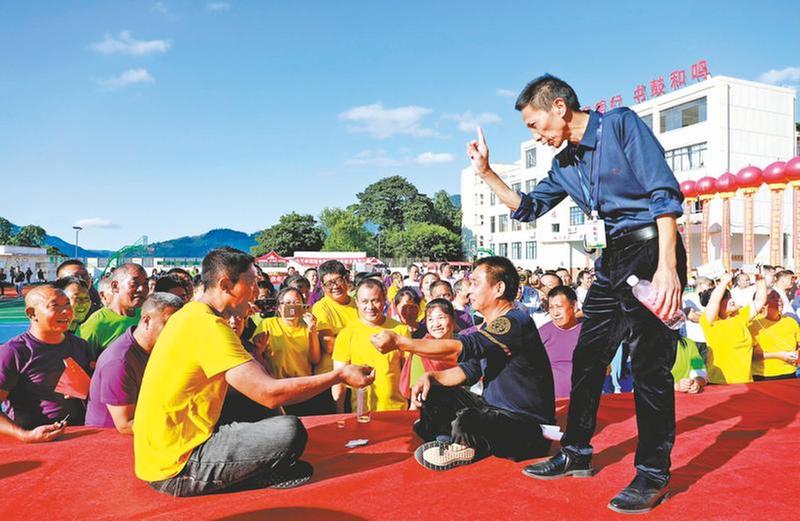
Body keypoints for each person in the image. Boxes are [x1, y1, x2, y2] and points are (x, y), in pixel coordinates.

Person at [471, 75, 687, 513]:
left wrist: (667, 269)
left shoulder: (622, 125)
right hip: (611, 259)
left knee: (650, 367)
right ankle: (576, 452)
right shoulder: (565, 165)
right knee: (589, 357)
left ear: (559, 107)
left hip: (651, 250)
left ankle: (652, 474)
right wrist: (487, 173)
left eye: (535, 125)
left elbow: (664, 194)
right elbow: (528, 208)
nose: (536, 136)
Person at [134, 248, 374, 497]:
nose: (257, 292)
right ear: (226, 284)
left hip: (160, 453)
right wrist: (339, 376)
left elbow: (255, 384)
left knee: (257, 404)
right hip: (177, 467)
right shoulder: (208, 326)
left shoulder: (191, 315)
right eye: (251, 283)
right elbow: (268, 393)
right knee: (290, 430)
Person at [372, 257, 555, 472]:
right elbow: (471, 369)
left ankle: (463, 443)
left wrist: (400, 343)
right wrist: (434, 377)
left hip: (527, 427)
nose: (469, 291)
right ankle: (449, 440)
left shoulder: (514, 321)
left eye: (476, 283)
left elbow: (463, 348)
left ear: (498, 288)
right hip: (494, 410)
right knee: (436, 393)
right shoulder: (490, 325)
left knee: (469, 420)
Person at [0, 285, 92, 441]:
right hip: (35, 441)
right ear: (32, 313)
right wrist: (25, 435)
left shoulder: (81, 346)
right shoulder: (14, 352)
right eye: (55, 306)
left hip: (79, 436)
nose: (66, 311)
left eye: (67, 303)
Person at [85, 293, 184, 433]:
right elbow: (125, 424)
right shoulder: (119, 361)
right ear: (146, 321)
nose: (177, 332)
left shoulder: (159, 348)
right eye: (169, 325)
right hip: (109, 438)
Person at [332, 278, 409, 413]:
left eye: (375, 300)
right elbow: (339, 379)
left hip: (396, 409)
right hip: (362, 411)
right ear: (357, 302)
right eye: (365, 301)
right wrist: (339, 412)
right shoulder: (347, 334)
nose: (370, 307)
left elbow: (407, 372)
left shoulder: (400, 330)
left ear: (384, 300)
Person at [252, 287, 327, 415]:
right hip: (278, 389)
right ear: (279, 308)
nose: (292, 306)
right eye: (287, 303)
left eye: (296, 302)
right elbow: (255, 355)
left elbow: (315, 359)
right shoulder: (268, 324)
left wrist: (312, 331)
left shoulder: (307, 327)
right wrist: (260, 348)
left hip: (303, 388)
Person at [699, 273, 767, 384]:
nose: (731, 300)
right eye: (726, 298)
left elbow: (759, 301)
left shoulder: (740, 316)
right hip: (720, 382)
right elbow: (714, 300)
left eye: (730, 296)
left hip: (746, 381)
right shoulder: (709, 322)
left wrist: (760, 280)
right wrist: (724, 282)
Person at [78, 263, 149, 360]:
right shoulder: (96, 324)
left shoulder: (146, 317)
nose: (142, 289)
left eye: (145, 283)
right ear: (115, 286)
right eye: (134, 284)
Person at [398, 298, 460, 409]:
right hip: (433, 412)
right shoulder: (421, 351)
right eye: (430, 319)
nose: (436, 324)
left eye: (441, 318)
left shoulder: (465, 346)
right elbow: (415, 399)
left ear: (453, 318)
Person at [311, 260, 359, 376]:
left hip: (357, 372)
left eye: (339, 280)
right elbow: (329, 345)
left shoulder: (358, 304)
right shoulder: (321, 307)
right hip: (331, 375)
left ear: (346, 280)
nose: (335, 286)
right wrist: (361, 341)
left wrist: (338, 338)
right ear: (322, 286)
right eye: (329, 283)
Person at [538, 286, 582, 399]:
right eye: (551, 308)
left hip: (583, 401)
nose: (555, 313)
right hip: (551, 403)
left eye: (559, 307)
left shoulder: (588, 332)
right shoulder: (542, 333)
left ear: (574, 306)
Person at [748, 289, 800, 381]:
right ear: (763, 303)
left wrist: (797, 354)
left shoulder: (791, 321)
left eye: (779, 297)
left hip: (790, 374)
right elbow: (749, 355)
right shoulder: (753, 324)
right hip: (763, 376)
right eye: (773, 297)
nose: (779, 300)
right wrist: (778, 355)